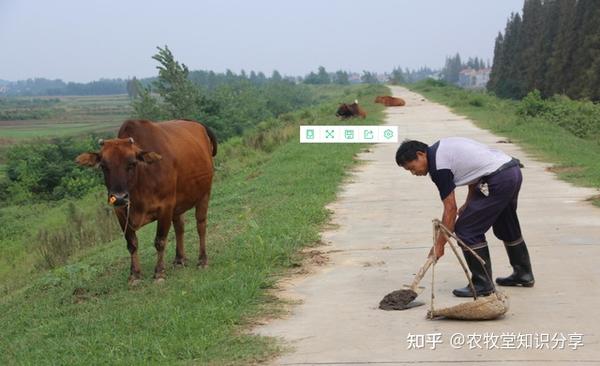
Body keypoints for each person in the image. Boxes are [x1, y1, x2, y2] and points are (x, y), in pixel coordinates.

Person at [395, 137, 535, 297]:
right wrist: (469, 203)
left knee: (466, 229)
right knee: (506, 224)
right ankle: (523, 274)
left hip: (498, 178)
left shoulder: (438, 167)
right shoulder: (441, 149)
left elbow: (450, 209)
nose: (414, 173)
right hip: (511, 171)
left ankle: (482, 283)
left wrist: (439, 245)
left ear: (420, 154)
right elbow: (473, 173)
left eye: (412, 167)